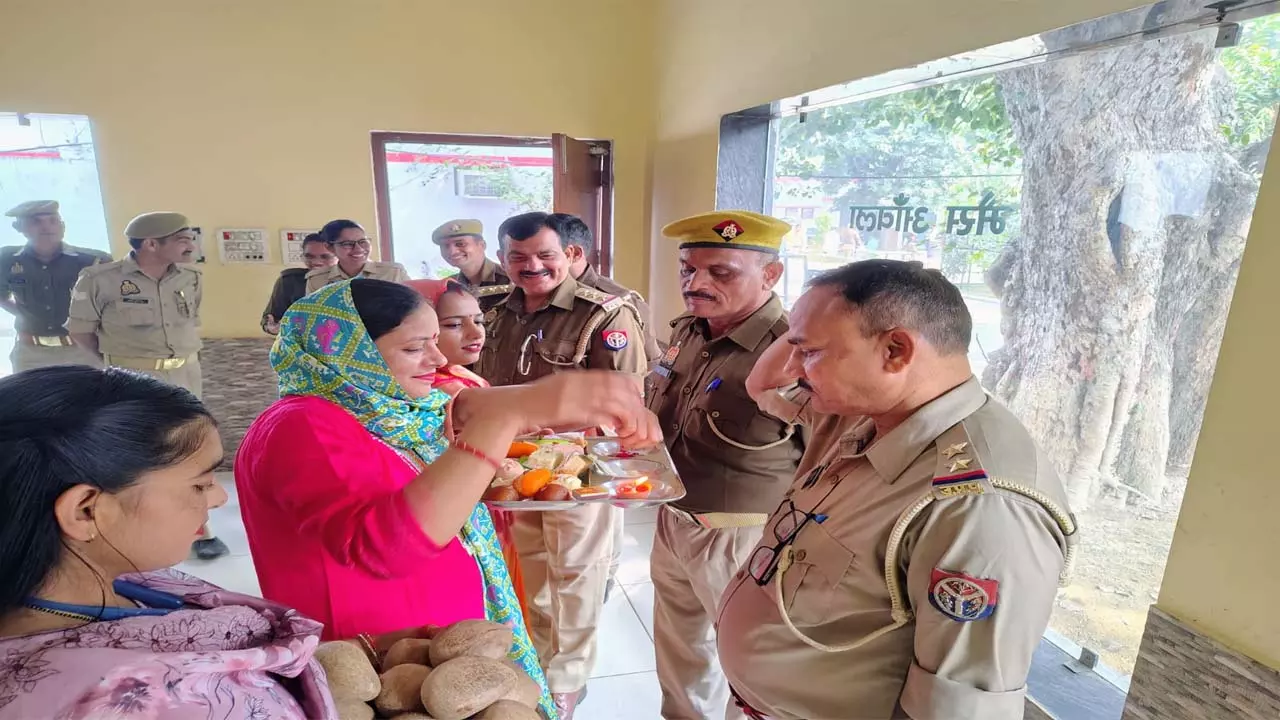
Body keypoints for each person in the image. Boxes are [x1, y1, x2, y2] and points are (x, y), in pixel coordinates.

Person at [235, 278, 660, 720]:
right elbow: (386, 548)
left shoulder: (389, 409)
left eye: (436, 341)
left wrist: (546, 410)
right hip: (383, 671)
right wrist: (505, 418)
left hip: (442, 650)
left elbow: (455, 415)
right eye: (415, 347)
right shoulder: (301, 426)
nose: (437, 360)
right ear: (350, 353)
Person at [717, 260, 1080, 720]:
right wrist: (806, 331)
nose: (793, 368)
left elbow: (955, 709)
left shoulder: (978, 505)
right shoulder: (862, 414)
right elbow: (761, 384)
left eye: (808, 352)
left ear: (895, 350)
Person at [0, 365, 338, 719]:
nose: (220, 498)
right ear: (86, 511)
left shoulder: (122, 581)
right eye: (199, 484)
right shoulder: (135, 703)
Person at [474, 211, 648, 719]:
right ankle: (539, 658)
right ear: (503, 258)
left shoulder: (605, 312)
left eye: (545, 256)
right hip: (512, 461)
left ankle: (568, 678)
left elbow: (624, 397)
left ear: (569, 256)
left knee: (576, 572)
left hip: (581, 461)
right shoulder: (492, 308)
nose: (532, 267)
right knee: (531, 570)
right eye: (518, 257)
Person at [646, 211, 804, 720]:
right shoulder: (689, 330)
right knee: (679, 651)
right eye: (688, 269)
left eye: (722, 272)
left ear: (770, 275)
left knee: (748, 663)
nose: (697, 283)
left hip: (743, 537)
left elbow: (828, 450)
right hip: (673, 519)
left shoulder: (795, 351)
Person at [66, 211, 229, 561]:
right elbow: (80, 331)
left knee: (189, 445)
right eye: (182, 239)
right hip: (134, 377)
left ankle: (201, 527)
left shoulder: (190, 277)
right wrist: (117, 365)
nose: (191, 245)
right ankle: (131, 527)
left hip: (186, 372)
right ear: (152, 244)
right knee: (142, 453)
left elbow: (189, 324)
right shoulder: (100, 279)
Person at [0, 200, 111, 372]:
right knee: (31, 399)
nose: (46, 227)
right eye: (36, 222)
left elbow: (112, 304)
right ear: (19, 228)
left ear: (63, 226)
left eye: (53, 221)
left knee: (91, 399)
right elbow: (2, 296)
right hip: (30, 354)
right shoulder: (7, 260)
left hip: (82, 352)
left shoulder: (93, 261)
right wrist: (27, 314)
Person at [304, 218, 409, 293]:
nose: (359, 249)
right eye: (347, 244)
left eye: (363, 241)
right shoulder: (317, 280)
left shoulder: (394, 273)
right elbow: (312, 318)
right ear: (330, 248)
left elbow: (417, 312)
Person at [261, 232, 337, 334]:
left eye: (325, 257)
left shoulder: (349, 281)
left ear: (338, 257)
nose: (316, 262)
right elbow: (270, 319)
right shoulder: (290, 281)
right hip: (300, 345)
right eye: (309, 256)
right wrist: (272, 328)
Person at [432, 218, 511, 311]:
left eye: (460, 244)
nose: (452, 252)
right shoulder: (448, 285)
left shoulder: (510, 279)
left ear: (482, 245)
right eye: (445, 246)